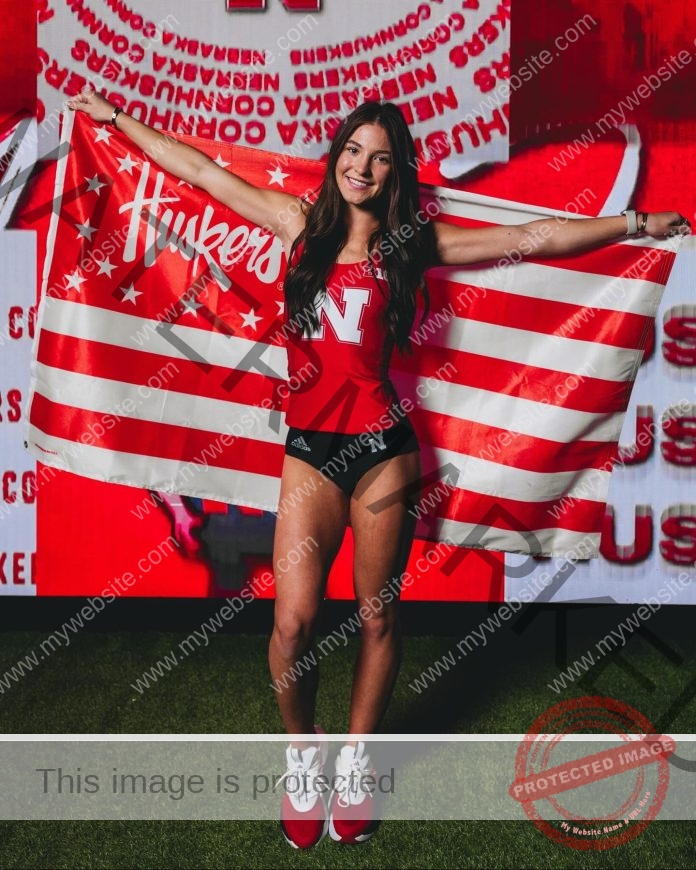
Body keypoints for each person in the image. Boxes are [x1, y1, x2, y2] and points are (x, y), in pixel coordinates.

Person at [66, 88, 690, 849]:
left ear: (395, 174)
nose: (362, 167)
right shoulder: (295, 221)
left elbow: (535, 235)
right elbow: (196, 168)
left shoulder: (410, 245)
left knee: (378, 614)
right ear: (337, 158)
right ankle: (306, 751)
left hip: (383, 453)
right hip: (310, 453)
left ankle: (358, 759)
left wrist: (637, 223)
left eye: (380, 158)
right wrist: (115, 121)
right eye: (353, 151)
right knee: (292, 625)